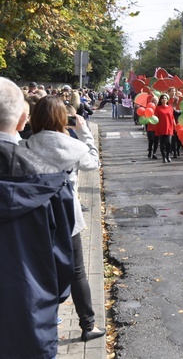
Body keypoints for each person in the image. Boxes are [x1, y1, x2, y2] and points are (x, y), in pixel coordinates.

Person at [20, 95, 106, 343]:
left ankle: (43, 326)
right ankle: (87, 326)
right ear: (62, 119)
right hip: (68, 219)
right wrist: (85, 132)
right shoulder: (74, 146)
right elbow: (93, 163)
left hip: (36, 218)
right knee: (77, 273)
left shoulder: (26, 146)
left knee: (39, 274)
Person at [0, 77, 76, 359]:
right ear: (23, 120)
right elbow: (64, 259)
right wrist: (51, 299)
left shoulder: (51, 180)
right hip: (30, 313)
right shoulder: (51, 180)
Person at [155, 93, 176, 163]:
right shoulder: (158, 108)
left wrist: (175, 125)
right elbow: (155, 118)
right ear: (160, 100)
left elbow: (172, 117)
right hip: (161, 127)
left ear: (167, 100)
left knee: (168, 142)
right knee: (162, 143)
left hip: (169, 127)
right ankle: (163, 157)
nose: (164, 99)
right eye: (163, 98)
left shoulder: (170, 107)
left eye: (165, 98)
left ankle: (167, 155)